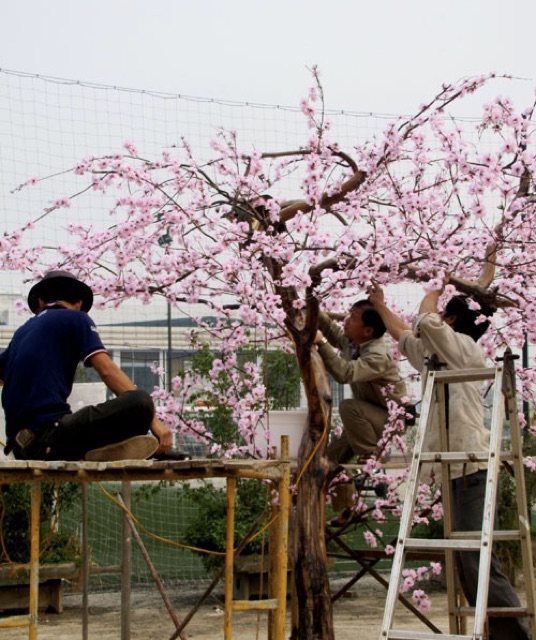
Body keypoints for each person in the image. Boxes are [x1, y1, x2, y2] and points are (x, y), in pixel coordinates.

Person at [369, 281, 530, 640]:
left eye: (444, 314)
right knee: (463, 557)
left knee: (473, 554)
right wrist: (380, 306)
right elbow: (405, 334)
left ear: (452, 320)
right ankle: (499, 628)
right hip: (451, 463)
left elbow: (424, 320)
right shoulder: (436, 354)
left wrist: (435, 285)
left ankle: (514, 632)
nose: (436, 317)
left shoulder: (464, 348)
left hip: (471, 462)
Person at [1, 270, 175, 462]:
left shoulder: (20, 334)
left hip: (20, 447)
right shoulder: (75, 318)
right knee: (140, 402)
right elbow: (107, 370)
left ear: (40, 302)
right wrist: (155, 422)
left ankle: (98, 449)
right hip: (52, 437)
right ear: (79, 304)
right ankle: (100, 448)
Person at [314, 299, 407, 523]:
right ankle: (347, 510)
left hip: (391, 418)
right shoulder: (355, 342)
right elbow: (333, 331)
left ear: (368, 330)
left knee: (348, 406)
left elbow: (345, 373)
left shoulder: (377, 356)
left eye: (353, 318)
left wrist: (321, 344)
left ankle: (372, 454)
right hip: (369, 416)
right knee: (329, 458)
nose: (347, 320)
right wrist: (311, 309)